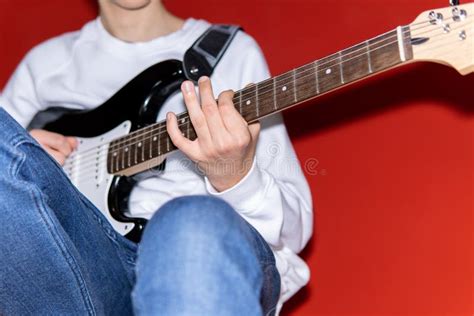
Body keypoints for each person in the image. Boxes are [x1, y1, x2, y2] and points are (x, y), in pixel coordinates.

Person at [0, 0, 313, 314]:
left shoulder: (231, 51)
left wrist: (235, 175)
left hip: (196, 265)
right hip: (80, 274)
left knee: (189, 221)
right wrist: (26, 159)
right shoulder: (44, 65)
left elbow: (295, 232)